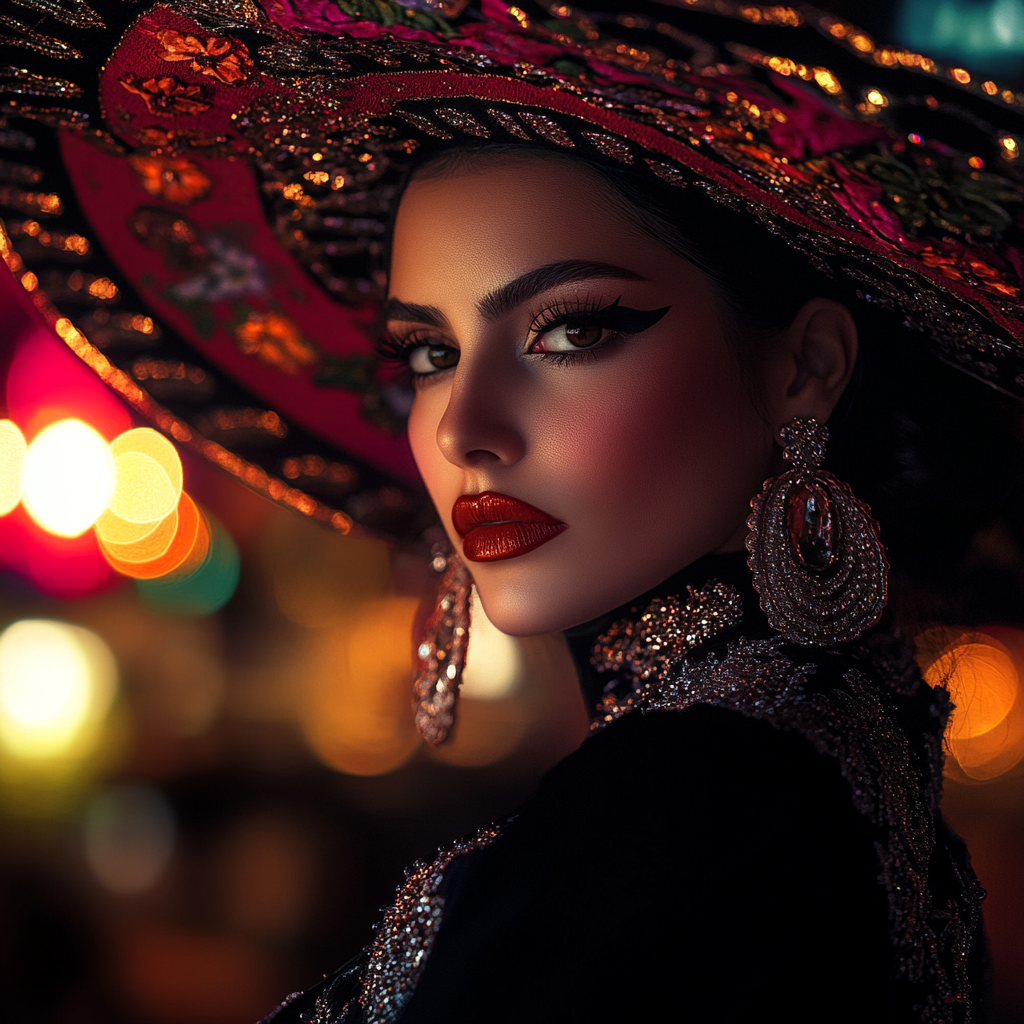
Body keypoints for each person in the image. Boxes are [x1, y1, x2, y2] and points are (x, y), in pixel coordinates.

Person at [4, 1, 1023, 1021]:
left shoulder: (687, 800)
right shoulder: (823, 743)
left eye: (570, 332)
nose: (464, 429)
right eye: (429, 354)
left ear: (804, 366)